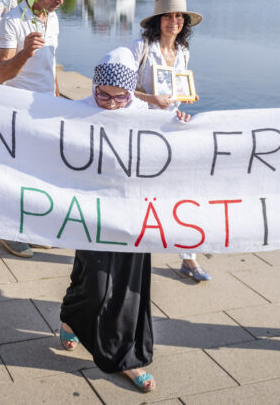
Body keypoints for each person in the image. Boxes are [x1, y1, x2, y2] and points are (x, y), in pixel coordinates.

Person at [59, 47, 191, 394]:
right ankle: (73, 312)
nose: (111, 104)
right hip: (91, 212)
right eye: (104, 95)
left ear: (131, 94)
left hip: (133, 214)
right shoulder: (75, 113)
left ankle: (128, 358)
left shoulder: (143, 115)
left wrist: (179, 127)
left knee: (130, 289)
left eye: (120, 98)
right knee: (96, 281)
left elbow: (169, 148)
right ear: (94, 87)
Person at [128, 0, 210, 282]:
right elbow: (119, 86)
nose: (174, 21)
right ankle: (130, 249)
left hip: (171, 128)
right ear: (157, 21)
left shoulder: (184, 51)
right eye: (168, 16)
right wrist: (152, 98)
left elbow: (178, 89)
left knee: (182, 191)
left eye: (179, 17)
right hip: (141, 127)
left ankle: (189, 256)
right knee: (141, 191)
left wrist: (185, 98)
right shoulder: (141, 47)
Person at [0, 0, 65, 258]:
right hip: (19, 109)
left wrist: (58, 95)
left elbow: (52, 62)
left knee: (41, 174)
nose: (60, 0)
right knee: (17, 175)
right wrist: (25, 52)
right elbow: (0, 74)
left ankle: (33, 228)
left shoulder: (53, 17)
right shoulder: (12, 20)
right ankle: (9, 231)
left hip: (46, 107)